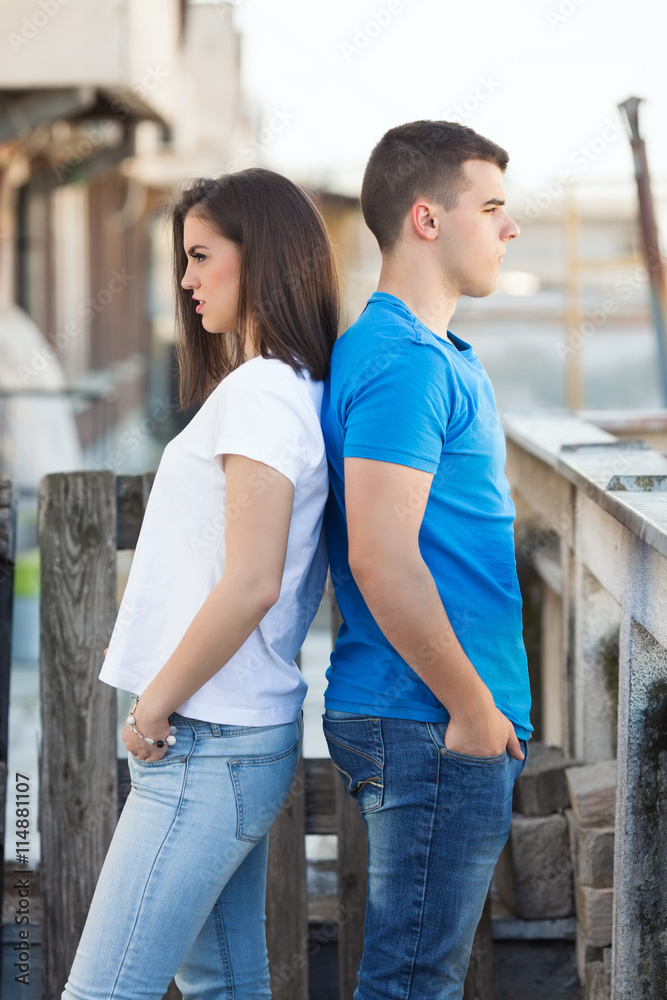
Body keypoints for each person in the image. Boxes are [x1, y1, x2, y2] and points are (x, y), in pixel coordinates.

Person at [61, 167, 340, 1000]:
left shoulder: (259, 394)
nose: (184, 280)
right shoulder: (287, 387)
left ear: (259, 258)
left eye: (200, 255)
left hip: (203, 741)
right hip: (234, 737)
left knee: (103, 991)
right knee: (225, 988)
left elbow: (250, 580)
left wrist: (153, 705)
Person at [321, 120, 533, 1000]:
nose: (508, 227)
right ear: (426, 220)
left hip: (431, 721)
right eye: (490, 207)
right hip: (429, 722)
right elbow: (378, 555)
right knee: (410, 986)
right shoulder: (405, 363)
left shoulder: (432, 355)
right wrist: (473, 710)